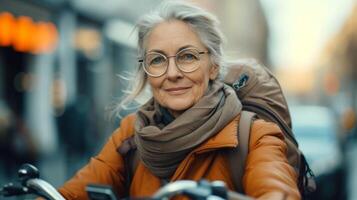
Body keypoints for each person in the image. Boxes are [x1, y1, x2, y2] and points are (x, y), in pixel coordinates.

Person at [58, 1, 300, 199]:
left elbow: (276, 188)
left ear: (213, 67)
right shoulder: (132, 133)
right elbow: (74, 192)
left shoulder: (254, 134)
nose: (172, 73)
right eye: (158, 60)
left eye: (187, 57)